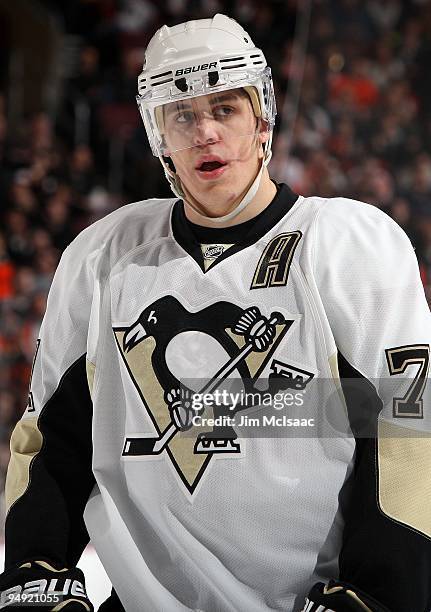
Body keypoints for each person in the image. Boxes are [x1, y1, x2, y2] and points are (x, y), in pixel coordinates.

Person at [1, 13, 431, 612]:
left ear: (262, 121)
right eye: (183, 115)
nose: (205, 132)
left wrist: (380, 595)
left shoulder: (347, 244)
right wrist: (34, 568)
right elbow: (51, 438)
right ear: (159, 137)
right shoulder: (103, 256)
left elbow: (410, 429)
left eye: (225, 108)